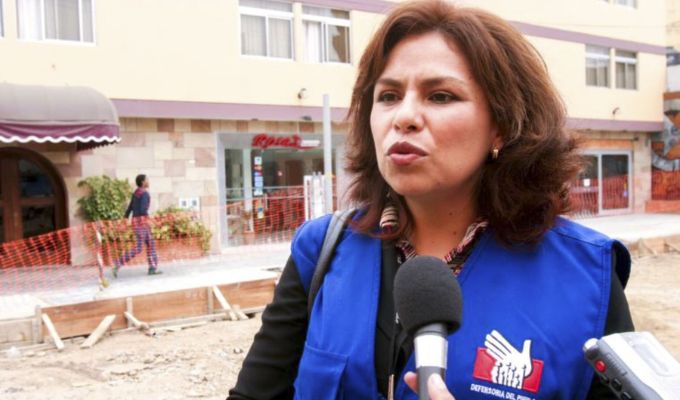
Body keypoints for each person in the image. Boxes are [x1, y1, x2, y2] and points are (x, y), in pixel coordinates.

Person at [228, 1, 633, 399]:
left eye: (440, 96)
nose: (403, 117)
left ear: (502, 126)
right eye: (388, 95)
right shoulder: (321, 250)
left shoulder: (587, 275)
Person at [113, 174, 162, 277]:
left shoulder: (136, 193)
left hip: (136, 222)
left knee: (150, 243)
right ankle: (118, 263)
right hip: (142, 223)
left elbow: (130, 207)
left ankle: (152, 268)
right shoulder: (145, 194)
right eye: (147, 180)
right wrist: (149, 219)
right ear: (143, 182)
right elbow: (143, 210)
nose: (148, 181)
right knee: (139, 247)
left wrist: (125, 218)